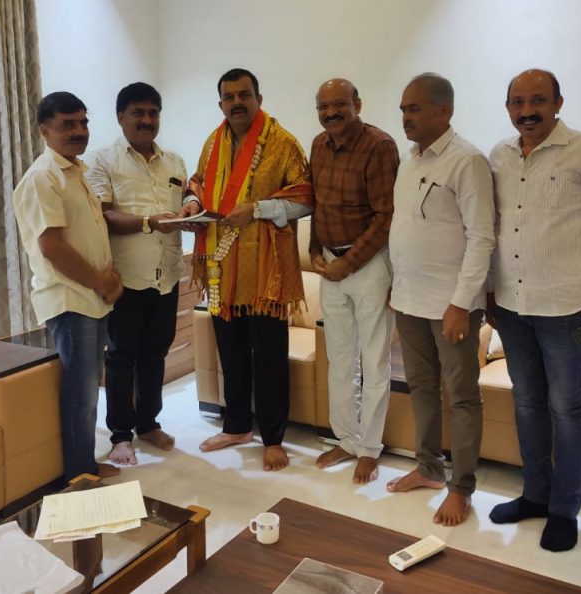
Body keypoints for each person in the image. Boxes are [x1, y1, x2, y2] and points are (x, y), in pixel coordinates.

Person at [487, 68, 581, 551]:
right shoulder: (499, 156)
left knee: (566, 408)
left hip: (568, 309)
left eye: (538, 101)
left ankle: (564, 509)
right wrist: (487, 293)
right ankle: (534, 495)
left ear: (558, 102)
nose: (527, 111)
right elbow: (493, 230)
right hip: (511, 306)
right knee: (527, 402)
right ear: (508, 107)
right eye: (518, 102)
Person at [186, 68, 312, 472]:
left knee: (269, 357)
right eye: (229, 97)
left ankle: (273, 439)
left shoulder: (283, 143)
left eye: (244, 95)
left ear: (259, 98)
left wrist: (257, 209)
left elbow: (305, 198)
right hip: (222, 270)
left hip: (265, 273)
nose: (237, 103)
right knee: (232, 353)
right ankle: (237, 426)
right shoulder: (213, 142)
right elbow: (197, 182)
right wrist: (191, 203)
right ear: (221, 103)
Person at [386, 73, 495, 526]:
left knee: (462, 396)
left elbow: (482, 237)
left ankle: (461, 487)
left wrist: (461, 303)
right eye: (403, 110)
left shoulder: (467, 161)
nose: (405, 118)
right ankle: (429, 468)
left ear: (443, 111)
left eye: (413, 109)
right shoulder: (409, 160)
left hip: (451, 305)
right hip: (409, 299)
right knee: (421, 388)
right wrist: (396, 287)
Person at [12, 91, 124, 480]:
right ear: (45, 131)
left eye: (83, 122)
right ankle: (79, 475)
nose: (79, 131)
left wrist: (107, 278)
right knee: (81, 392)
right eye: (67, 125)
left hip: (90, 297)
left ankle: (84, 464)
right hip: (70, 300)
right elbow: (53, 248)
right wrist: (101, 281)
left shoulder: (75, 172)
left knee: (89, 388)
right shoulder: (43, 178)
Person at [88, 83, 200, 466]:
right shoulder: (102, 161)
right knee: (121, 356)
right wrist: (150, 222)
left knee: (156, 353)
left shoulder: (174, 161)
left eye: (153, 113)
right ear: (120, 117)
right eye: (138, 113)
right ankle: (121, 435)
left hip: (166, 275)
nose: (147, 120)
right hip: (125, 277)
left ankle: (148, 423)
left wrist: (191, 206)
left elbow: (187, 195)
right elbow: (103, 215)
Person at [308, 78, 399, 484]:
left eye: (339, 104)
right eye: (323, 106)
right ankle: (346, 439)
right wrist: (315, 250)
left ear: (357, 104)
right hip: (330, 266)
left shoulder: (379, 146)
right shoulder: (318, 145)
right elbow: (318, 205)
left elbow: (386, 216)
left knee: (374, 360)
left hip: (370, 266)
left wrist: (348, 263)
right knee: (340, 359)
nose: (331, 113)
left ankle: (370, 448)